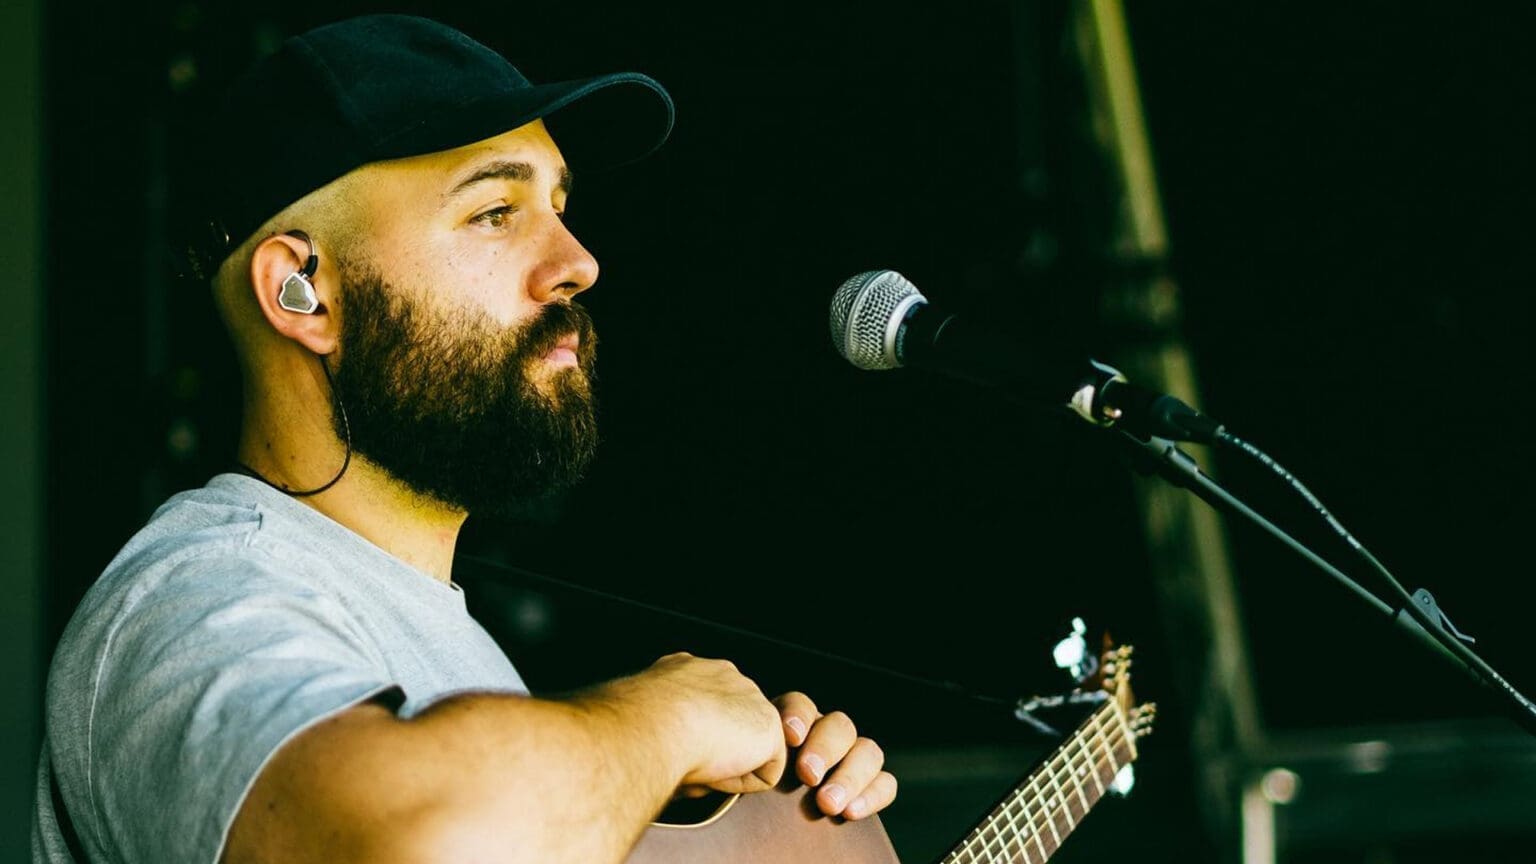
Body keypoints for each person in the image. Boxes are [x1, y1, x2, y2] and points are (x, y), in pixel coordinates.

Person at [33, 14, 897, 864]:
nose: (579, 262)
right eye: (494, 211)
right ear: (303, 288)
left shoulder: (457, 651)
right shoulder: (194, 596)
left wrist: (757, 821)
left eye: (560, 204)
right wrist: (668, 718)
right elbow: (422, 842)